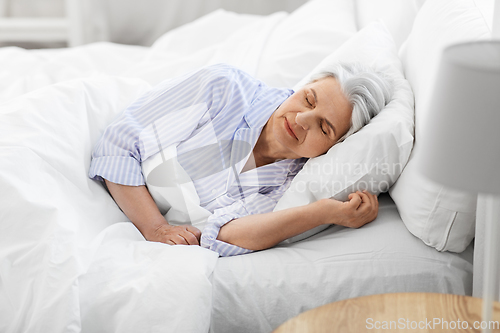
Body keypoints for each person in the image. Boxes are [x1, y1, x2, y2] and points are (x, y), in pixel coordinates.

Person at [89, 63, 393, 257]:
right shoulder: (224, 89)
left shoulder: (294, 182)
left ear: (334, 146)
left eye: (323, 127)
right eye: (307, 99)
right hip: (97, 190)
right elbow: (118, 144)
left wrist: (324, 212)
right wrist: (156, 228)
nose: (301, 119)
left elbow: (225, 234)